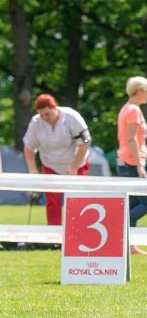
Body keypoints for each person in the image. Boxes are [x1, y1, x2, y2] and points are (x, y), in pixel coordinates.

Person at [23, 94, 91, 225]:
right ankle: (54, 235)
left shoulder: (71, 116)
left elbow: (85, 142)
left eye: (47, 114)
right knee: (52, 201)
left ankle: (78, 230)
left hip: (76, 164)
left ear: (54, 108)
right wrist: (32, 169)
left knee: (78, 200)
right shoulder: (36, 122)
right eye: (41, 115)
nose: (44, 118)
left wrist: (74, 167)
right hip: (51, 165)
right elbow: (28, 147)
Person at [117, 76, 147, 256]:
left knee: (131, 205)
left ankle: (129, 246)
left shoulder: (127, 109)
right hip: (131, 162)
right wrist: (140, 166)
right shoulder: (133, 111)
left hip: (126, 161)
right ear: (138, 91)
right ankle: (120, 233)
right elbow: (132, 139)